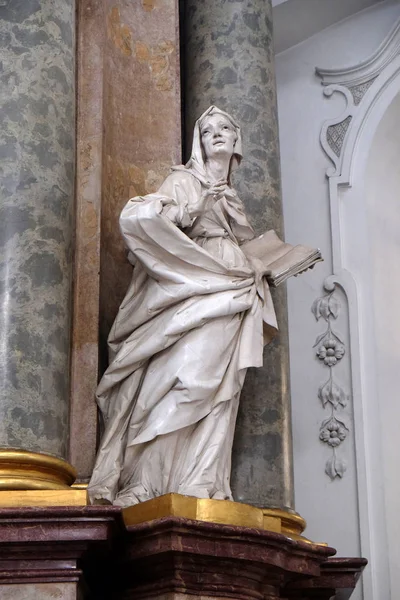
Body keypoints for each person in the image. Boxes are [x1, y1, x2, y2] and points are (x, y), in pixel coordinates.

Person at [88, 106, 278, 507]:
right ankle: (145, 481)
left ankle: (199, 479)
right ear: (199, 141)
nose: (217, 135)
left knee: (223, 389)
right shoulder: (183, 179)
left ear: (237, 140)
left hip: (235, 287)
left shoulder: (234, 195)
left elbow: (239, 241)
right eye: (208, 131)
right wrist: (193, 205)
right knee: (187, 380)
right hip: (191, 283)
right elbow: (155, 218)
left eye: (226, 128)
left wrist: (260, 264)